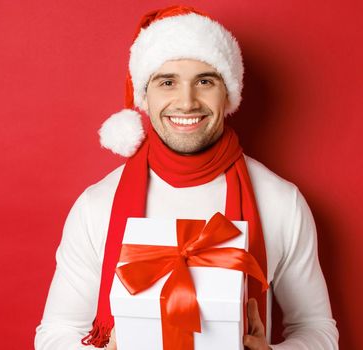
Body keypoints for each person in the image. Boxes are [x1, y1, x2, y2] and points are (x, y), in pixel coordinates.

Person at [34, 5, 339, 350]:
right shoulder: (97, 205)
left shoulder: (280, 201)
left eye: (205, 81)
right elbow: (55, 332)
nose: (187, 101)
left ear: (228, 94)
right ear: (144, 97)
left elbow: (317, 329)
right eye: (167, 82)